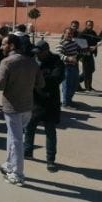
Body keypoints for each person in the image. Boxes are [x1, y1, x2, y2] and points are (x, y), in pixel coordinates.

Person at [0, 34, 44, 186]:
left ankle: (17, 173)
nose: (1, 47)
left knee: (16, 140)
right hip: (27, 106)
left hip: (13, 107)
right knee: (13, 136)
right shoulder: (32, 62)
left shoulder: (7, 62)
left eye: (3, 44)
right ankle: (9, 164)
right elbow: (40, 84)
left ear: (11, 45)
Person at [24, 40, 65, 172]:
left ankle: (50, 159)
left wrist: (38, 78)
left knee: (50, 132)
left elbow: (57, 78)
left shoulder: (56, 62)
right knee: (29, 127)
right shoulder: (34, 60)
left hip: (50, 101)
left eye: (40, 53)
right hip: (34, 100)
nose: (38, 55)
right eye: (36, 53)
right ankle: (27, 150)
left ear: (46, 51)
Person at [56, 27, 81, 108]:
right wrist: (68, 58)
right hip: (66, 67)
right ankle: (66, 103)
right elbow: (59, 55)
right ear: (64, 34)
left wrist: (89, 49)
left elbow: (80, 50)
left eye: (71, 33)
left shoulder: (74, 43)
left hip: (74, 67)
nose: (70, 35)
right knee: (67, 86)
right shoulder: (61, 43)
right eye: (68, 33)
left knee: (75, 85)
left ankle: (69, 100)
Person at [79, 20, 102, 91]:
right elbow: (81, 45)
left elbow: (98, 39)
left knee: (91, 70)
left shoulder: (92, 32)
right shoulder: (83, 34)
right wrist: (88, 48)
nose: (90, 26)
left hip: (90, 54)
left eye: (91, 25)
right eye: (89, 25)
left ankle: (79, 82)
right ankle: (86, 86)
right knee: (87, 71)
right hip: (85, 54)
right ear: (86, 25)